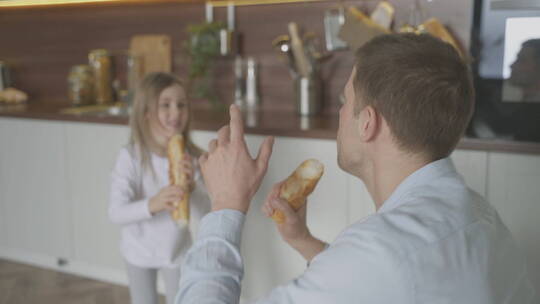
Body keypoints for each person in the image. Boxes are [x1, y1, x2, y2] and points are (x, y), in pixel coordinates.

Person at [175, 34, 537, 303]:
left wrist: (225, 205)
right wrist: (304, 242)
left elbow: (379, 269)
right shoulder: (483, 217)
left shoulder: (379, 254)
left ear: (368, 123)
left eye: (344, 101)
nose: (339, 114)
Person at [108, 72, 210, 304]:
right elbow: (115, 212)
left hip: (177, 251)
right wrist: (153, 204)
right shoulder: (131, 157)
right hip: (138, 250)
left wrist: (192, 188)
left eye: (181, 105)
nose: (176, 113)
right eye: (165, 105)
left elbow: (205, 215)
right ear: (146, 113)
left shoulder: (193, 159)